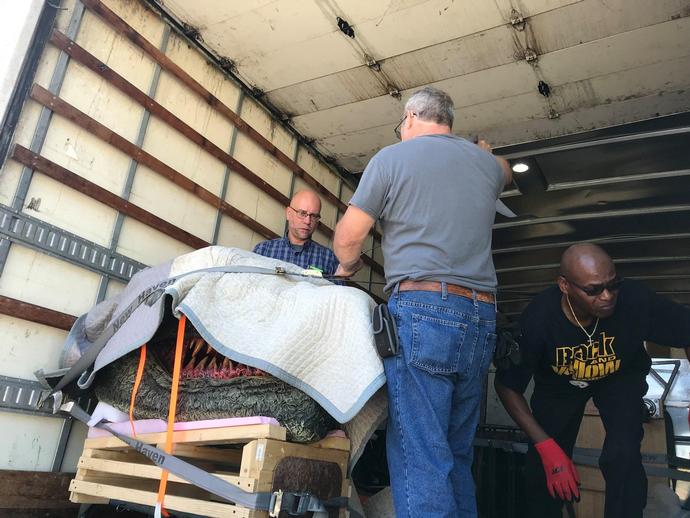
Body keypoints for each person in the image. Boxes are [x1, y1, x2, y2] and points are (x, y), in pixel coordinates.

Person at [333, 86, 512, 517]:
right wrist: (483, 151)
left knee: (420, 455)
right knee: (457, 455)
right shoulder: (487, 167)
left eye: (401, 125)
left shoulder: (391, 158)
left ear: (410, 117)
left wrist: (347, 266)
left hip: (424, 311)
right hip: (480, 317)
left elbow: (348, 238)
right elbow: (506, 170)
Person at [495, 243, 690, 518]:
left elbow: (686, 331)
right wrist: (546, 447)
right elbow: (506, 386)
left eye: (613, 284)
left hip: (619, 377)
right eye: (593, 290)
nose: (607, 296)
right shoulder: (539, 319)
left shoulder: (635, 300)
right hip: (559, 385)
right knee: (543, 468)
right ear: (564, 285)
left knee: (623, 454)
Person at [253, 189, 338, 276]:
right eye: (302, 213)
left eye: (314, 216)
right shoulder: (263, 251)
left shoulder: (329, 259)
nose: (307, 221)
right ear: (289, 214)